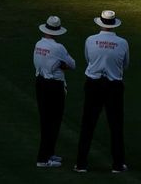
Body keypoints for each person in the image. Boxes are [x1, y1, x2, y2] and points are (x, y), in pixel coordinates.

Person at [75, 10, 130, 173]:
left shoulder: (90, 40)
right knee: (116, 125)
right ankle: (118, 164)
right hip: (114, 85)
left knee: (88, 124)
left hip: (93, 83)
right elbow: (125, 65)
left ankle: (81, 163)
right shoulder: (122, 43)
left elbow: (88, 59)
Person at [33, 16, 76, 168]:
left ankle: (48, 153)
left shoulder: (39, 44)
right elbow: (72, 64)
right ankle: (43, 158)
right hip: (54, 85)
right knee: (53, 121)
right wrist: (61, 65)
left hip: (40, 82)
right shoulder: (58, 48)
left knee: (46, 120)